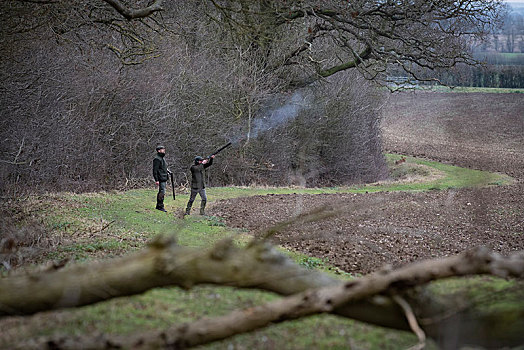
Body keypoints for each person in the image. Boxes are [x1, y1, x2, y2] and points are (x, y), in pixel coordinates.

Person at [153, 145, 170, 212]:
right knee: (162, 192)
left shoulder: (162, 158)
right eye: (162, 149)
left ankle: (159, 206)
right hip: (160, 178)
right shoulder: (157, 159)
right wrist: (156, 179)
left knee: (163, 191)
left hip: (164, 177)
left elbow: (163, 167)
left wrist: (168, 171)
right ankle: (160, 206)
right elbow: (155, 170)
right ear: (159, 150)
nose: (164, 150)